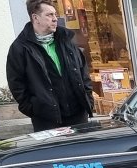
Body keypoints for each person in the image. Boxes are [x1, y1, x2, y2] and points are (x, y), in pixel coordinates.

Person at [6, 0, 94, 132]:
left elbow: (83, 73)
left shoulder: (66, 40)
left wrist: (88, 100)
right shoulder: (20, 48)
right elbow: (16, 84)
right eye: (49, 15)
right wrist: (35, 109)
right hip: (47, 120)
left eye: (55, 14)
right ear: (35, 18)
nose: (55, 19)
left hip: (78, 116)